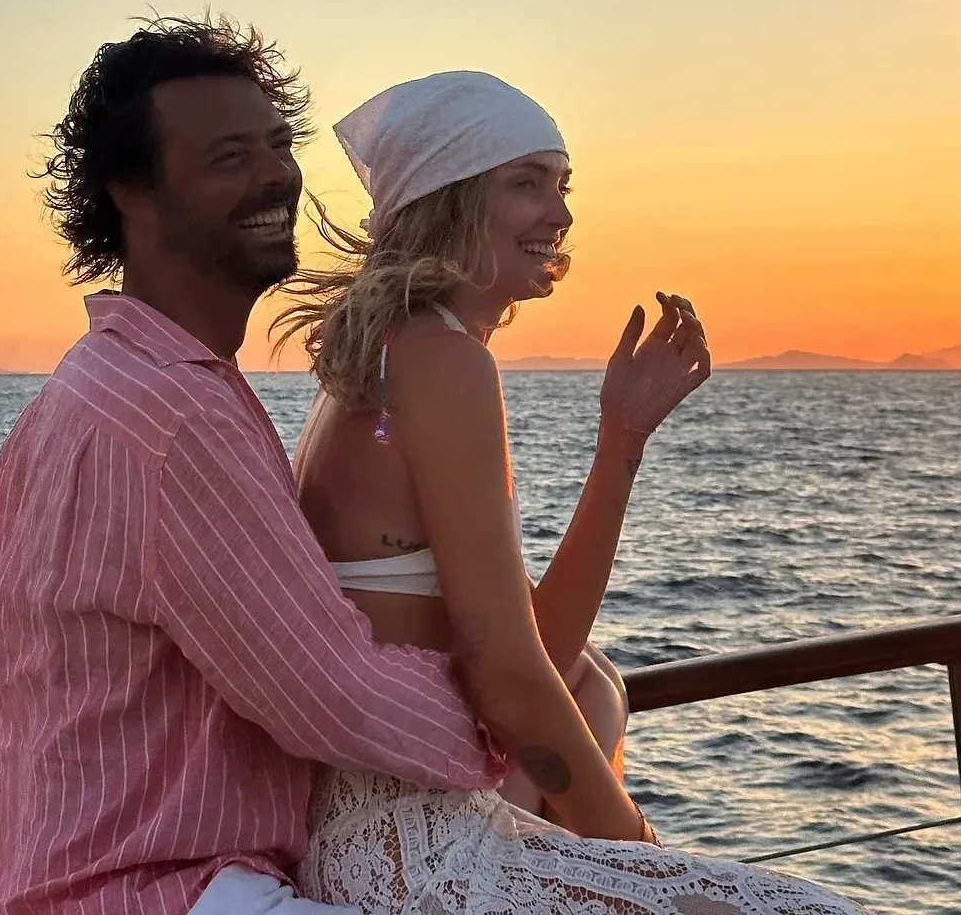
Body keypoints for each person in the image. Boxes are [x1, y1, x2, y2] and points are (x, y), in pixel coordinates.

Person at [0, 18, 509, 915]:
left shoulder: (99, 385)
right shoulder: (172, 416)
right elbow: (335, 696)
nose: (275, 175)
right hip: (152, 893)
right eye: (230, 157)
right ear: (133, 192)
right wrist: (510, 716)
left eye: (279, 145)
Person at [279, 70, 866, 915]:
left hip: (379, 845)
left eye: (562, 185)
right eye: (527, 183)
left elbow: (538, 652)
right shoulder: (441, 361)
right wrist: (646, 856)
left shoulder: (395, 355)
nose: (560, 214)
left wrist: (620, 441)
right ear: (448, 199)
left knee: (596, 681)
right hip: (413, 861)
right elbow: (508, 685)